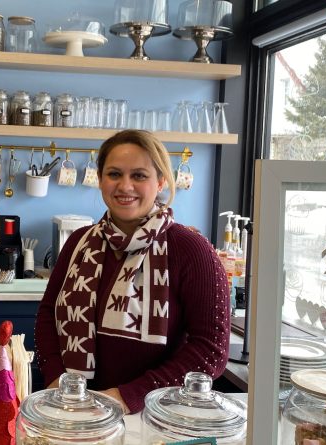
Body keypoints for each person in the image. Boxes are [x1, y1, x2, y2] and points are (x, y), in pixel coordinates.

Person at [34, 129, 230, 414]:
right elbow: (47, 315)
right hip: (74, 409)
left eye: (139, 175)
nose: (125, 186)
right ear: (100, 179)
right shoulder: (78, 243)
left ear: (160, 182)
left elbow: (210, 350)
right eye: (114, 174)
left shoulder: (191, 250)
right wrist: (56, 380)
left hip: (157, 415)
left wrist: (126, 397)